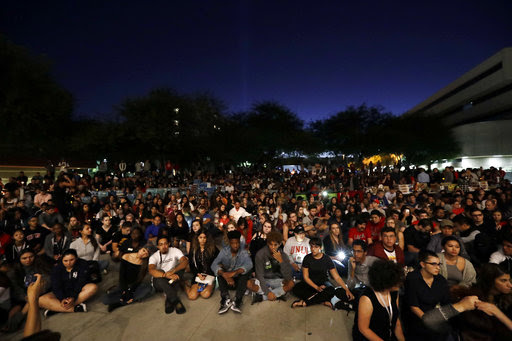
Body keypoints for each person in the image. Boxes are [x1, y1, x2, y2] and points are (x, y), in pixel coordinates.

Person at [291, 237, 354, 308]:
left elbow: (336, 276)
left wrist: (347, 289)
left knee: (331, 290)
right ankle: (322, 299)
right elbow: (306, 277)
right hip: (310, 283)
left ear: (320, 248)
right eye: (311, 246)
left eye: (316, 247)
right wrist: (317, 287)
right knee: (296, 289)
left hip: (323, 282)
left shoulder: (327, 259)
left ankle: (306, 302)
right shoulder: (307, 258)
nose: (313, 249)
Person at [353, 260, 405, 341]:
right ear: (387, 282)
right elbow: (364, 329)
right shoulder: (367, 299)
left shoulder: (394, 293)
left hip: (387, 334)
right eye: (396, 281)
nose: (399, 284)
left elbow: (396, 319)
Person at [404, 250, 451, 340]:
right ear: (423, 264)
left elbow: (446, 302)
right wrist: (431, 321)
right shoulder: (412, 278)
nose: (438, 268)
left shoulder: (441, 280)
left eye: (438, 264)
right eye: (433, 264)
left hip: (435, 315)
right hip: (417, 318)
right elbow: (414, 307)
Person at [39, 249, 98, 316]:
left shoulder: (83, 264)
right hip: (63, 292)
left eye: (71, 260)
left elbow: (81, 282)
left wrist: (73, 297)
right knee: (40, 300)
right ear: (62, 260)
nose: (68, 263)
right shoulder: (57, 269)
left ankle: (56, 308)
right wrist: (61, 298)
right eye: (65, 261)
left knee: (93, 287)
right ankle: (75, 308)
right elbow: (56, 286)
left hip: (78, 291)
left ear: (76, 258)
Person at [5, 249, 52, 332]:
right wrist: (25, 297)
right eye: (24, 258)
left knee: (27, 308)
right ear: (19, 259)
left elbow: (47, 280)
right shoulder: (13, 271)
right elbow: (16, 289)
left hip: (39, 292)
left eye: (31, 257)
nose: (28, 260)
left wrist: (33, 294)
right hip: (23, 296)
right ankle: (10, 325)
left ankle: (18, 320)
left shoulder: (40, 264)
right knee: (13, 312)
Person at [211, 230, 253, 314]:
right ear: (229, 243)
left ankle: (238, 300)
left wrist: (234, 273)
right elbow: (214, 264)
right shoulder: (224, 251)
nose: (235, 245)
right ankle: (225, 298)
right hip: (227, 282)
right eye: (233, 243)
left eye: (237, 243)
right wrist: (225, 275)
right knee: (219, 272)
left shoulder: (243, 252)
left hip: (239, 282)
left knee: (245, 272)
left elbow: (249, 264)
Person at [102, 246, 153, 312]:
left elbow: (139, 280)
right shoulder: (126, 256)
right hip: (124, 284)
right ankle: (128, 299)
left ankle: (119, 303)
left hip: (134, 286)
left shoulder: (144, 264)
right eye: (143, 250)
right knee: (105, 300)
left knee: (148, 288)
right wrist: (125, 290)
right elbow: (122, 277)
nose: (143, 254)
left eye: (146, 254)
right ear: (140, 249)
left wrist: (130, 291)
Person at [248, 231, 294, 303]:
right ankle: (278, 294)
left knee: (291, 283)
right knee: (249, 283)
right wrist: (268, 292)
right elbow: (259, 275)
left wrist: (281, 261)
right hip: (264, 280)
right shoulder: (260, 254)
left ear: (280, 244)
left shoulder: (283, 255)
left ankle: (262, 297)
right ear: (267, 243)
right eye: (270, 244)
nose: (273, 247)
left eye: (275, 245)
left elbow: (288, 276)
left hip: (278, 280)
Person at [148, 235, 188, 314]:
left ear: (169, 244)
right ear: (157, 246)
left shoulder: (175, 250)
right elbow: (151, 270)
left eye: (165, 244)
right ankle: (175, 301)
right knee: (159, 271)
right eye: (161, 244)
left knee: (181, 267)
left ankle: (168, 300)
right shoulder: (154, 257)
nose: (164, 246)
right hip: (160, 282)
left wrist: (173, 271)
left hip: (173, 277)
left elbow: (185, 261)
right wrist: (165, 275)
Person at [185, 229, 218, 300]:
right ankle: (184, 285)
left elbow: (218, 262)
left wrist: (212, 274)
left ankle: (210, 285)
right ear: (197, 238)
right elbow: (191, 264)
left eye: (204, 237)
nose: (202, 240)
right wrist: (198, 274)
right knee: (192, 296)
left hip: (210, 275)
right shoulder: (193, 249)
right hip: (198, 274)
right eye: (200, 237)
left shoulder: (213, 248)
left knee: (205, 294)